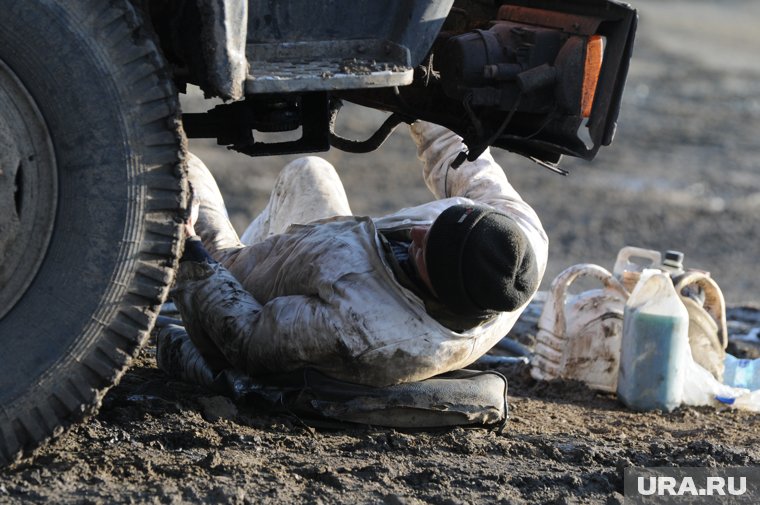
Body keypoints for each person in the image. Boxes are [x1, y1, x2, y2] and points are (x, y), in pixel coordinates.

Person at [170, 121, 548, 388]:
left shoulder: (360, 326)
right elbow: (457, 154)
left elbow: (247, 337)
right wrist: (422, 97)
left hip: (240, 287)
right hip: (328, 250)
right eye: (432, 226)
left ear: (436, 287)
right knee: (311, 171)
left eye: (422, 247)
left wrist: (192, 253)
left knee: (175, 170)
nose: (416, 231)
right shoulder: (516, 243)